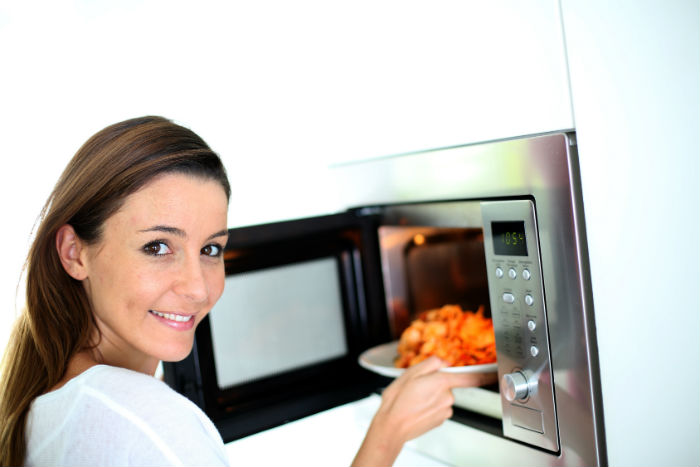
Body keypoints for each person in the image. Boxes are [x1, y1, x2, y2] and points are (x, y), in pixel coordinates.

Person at [0, 116, 494, 466]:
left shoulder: (45, 407)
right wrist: (387, 436)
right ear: (74, 253)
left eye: (212, 250)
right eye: (157, 247)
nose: (196, 287)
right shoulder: (143, 416)